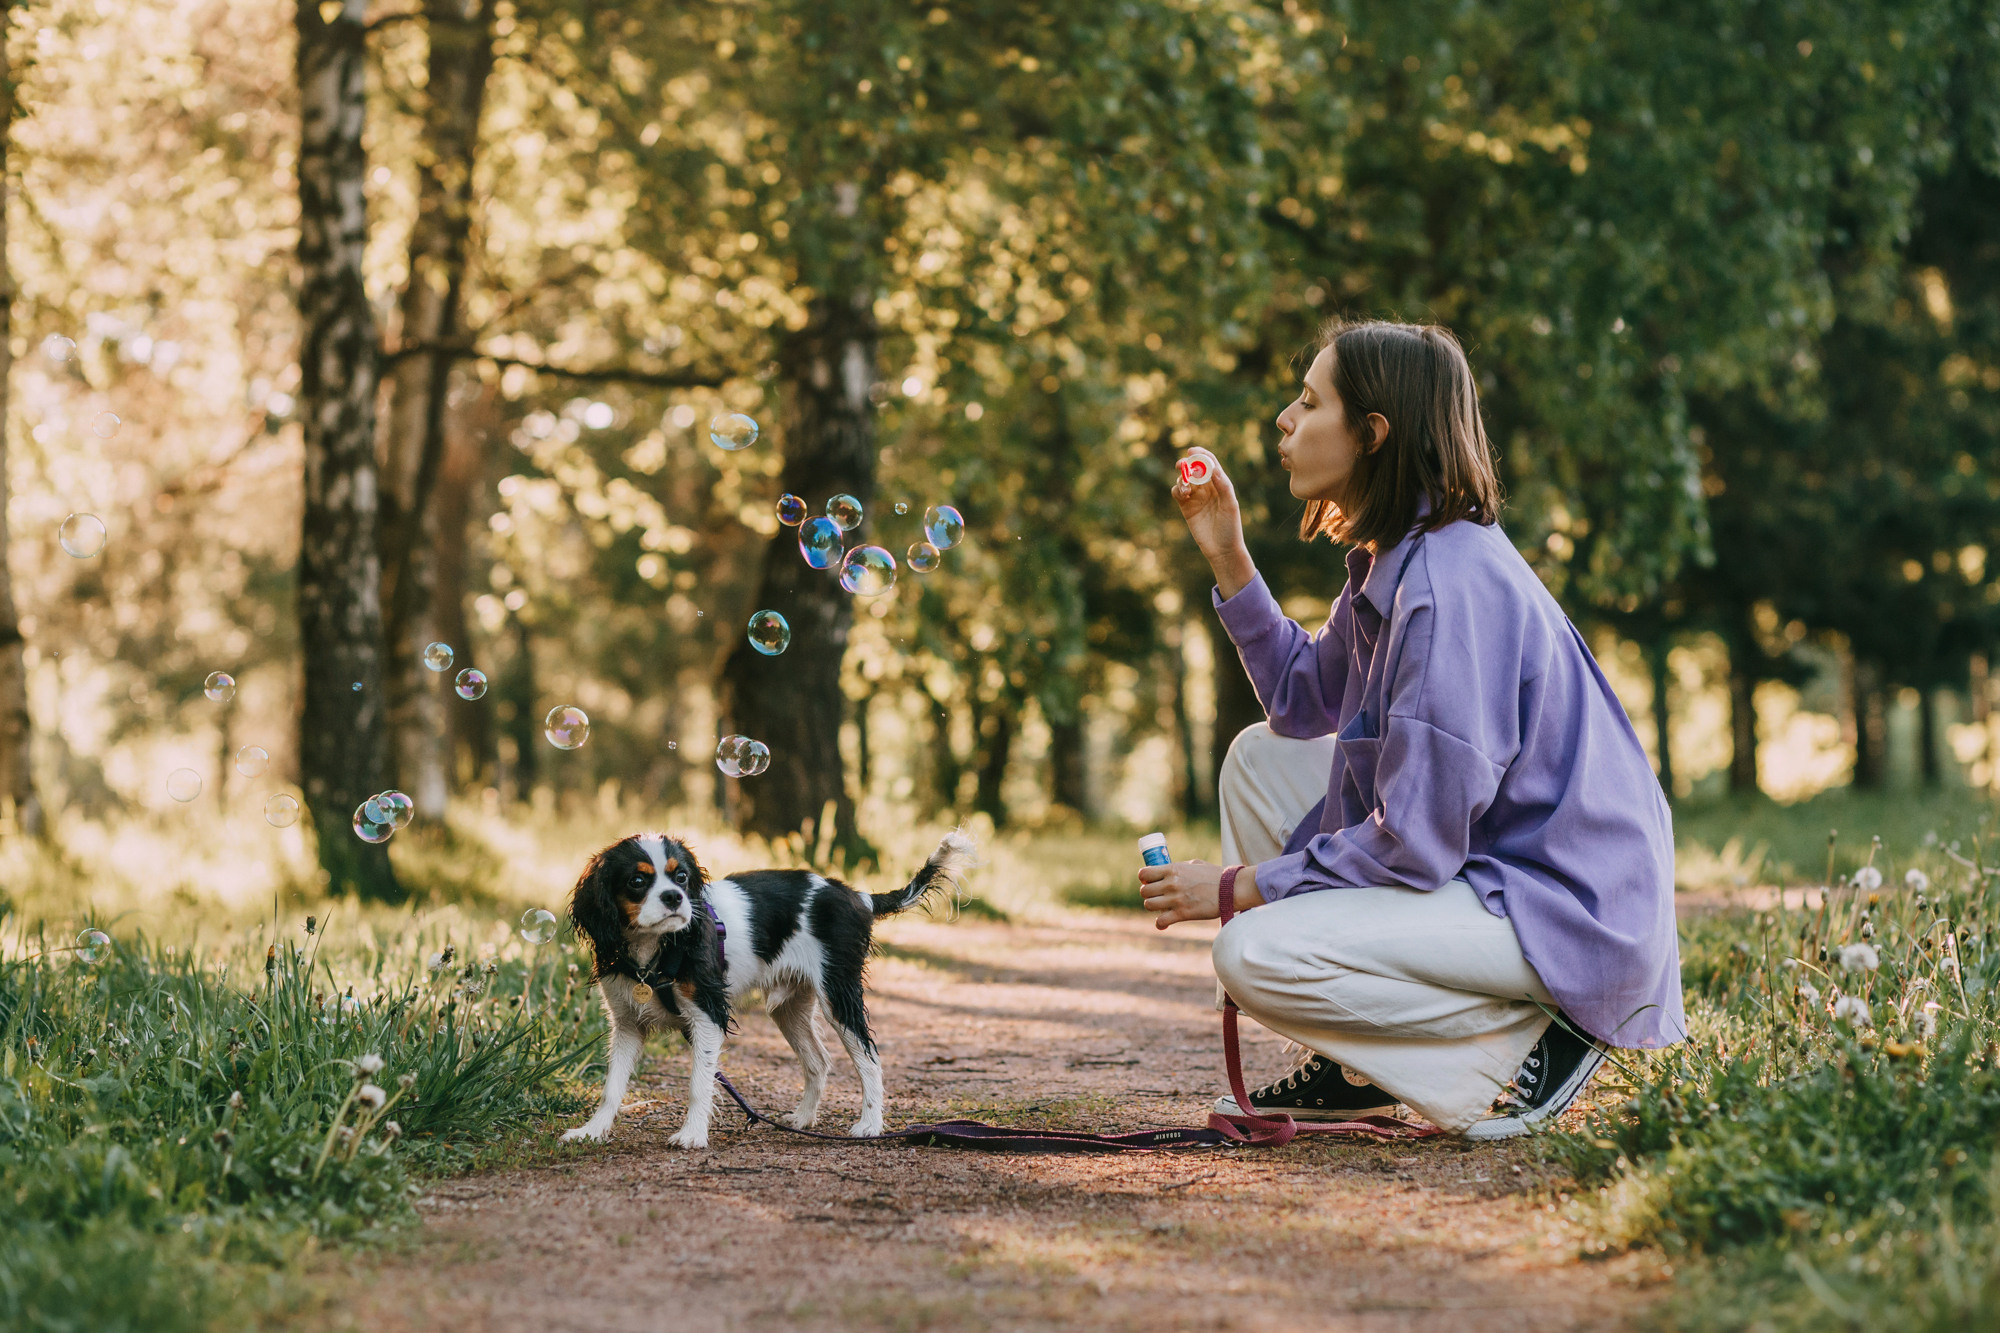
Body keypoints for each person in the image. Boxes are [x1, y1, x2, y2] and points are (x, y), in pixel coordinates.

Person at [1140, 320, 1682, 1138]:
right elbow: (1299, 700)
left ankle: (1544, 1032)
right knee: (1259, 758)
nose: (1284, 419)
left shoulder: (1445, 588)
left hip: (1567, 907)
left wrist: (1238, 887)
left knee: (1250, 952)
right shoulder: (1393, 556)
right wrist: (1228, 553)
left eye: (1310, 401)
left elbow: (1415, 842)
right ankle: (1360, 1068)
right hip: (1492, 865)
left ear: (1372, 434)